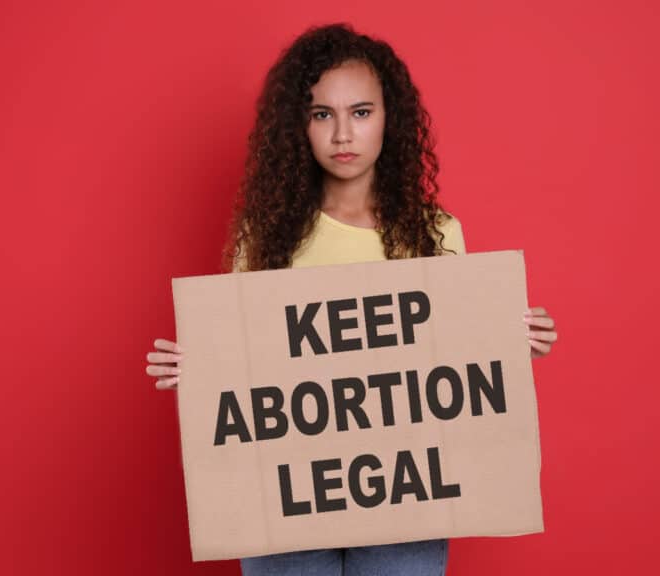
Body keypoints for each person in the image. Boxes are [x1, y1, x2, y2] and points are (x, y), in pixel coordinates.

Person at [145, 22, 558, 576]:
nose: (343, 134)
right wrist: (199, 367)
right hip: (287, 490)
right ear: (300, 126)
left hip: (408, 492)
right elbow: (251, 359)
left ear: (390, 119)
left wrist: (507, 345)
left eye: (361, 112)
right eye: (323, 115)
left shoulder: (435, 233)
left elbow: (450, 360)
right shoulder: (264, 236)